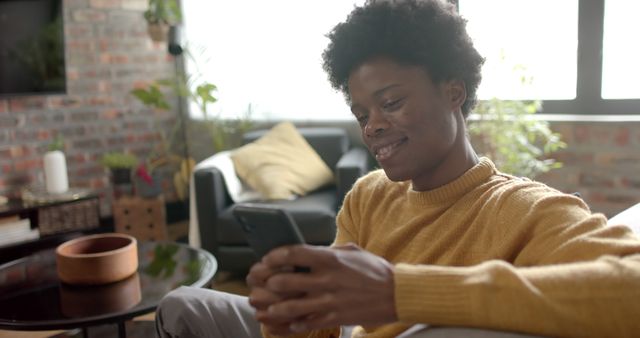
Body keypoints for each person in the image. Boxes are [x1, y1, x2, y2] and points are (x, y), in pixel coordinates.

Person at [155, 0, 640, 337]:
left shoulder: (525, 209)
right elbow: (326, 328)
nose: (373, 127)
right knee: (183, 305)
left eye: (391, 103)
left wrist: (399, 293)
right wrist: (290, 314)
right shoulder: (369, 197)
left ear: (454, 90)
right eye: (363, 114)